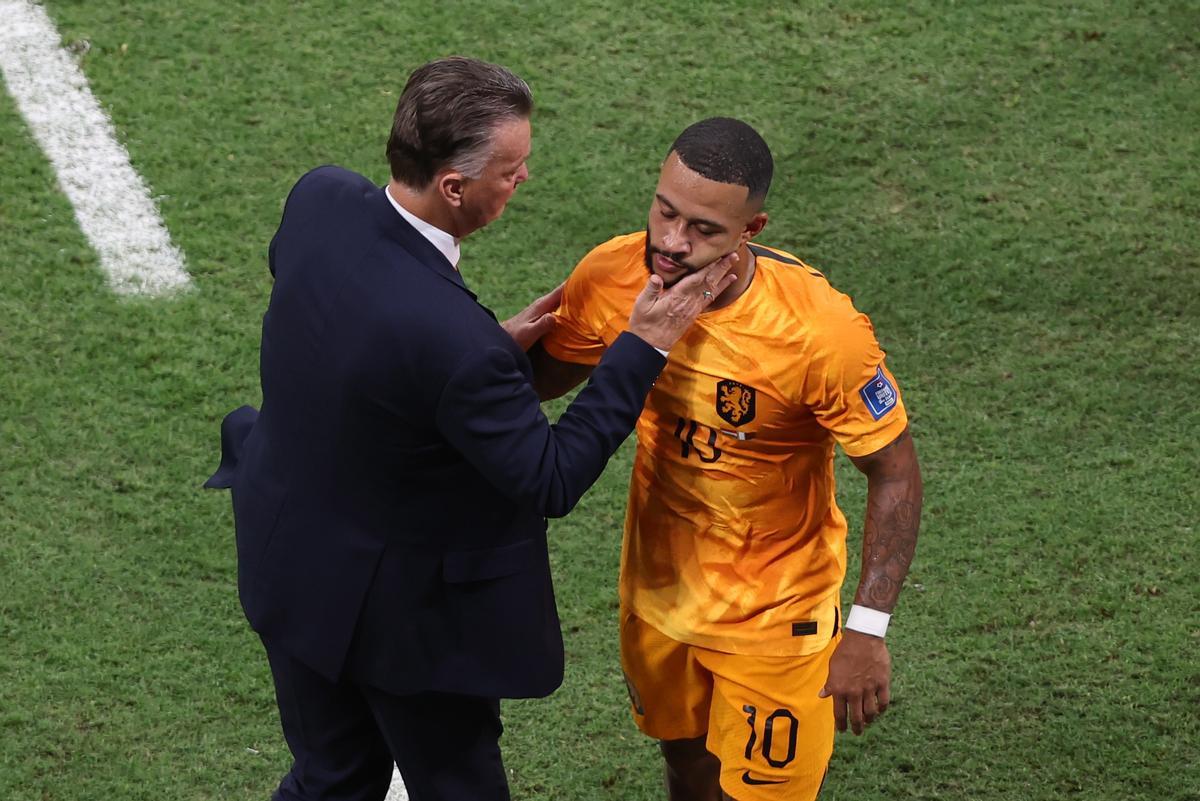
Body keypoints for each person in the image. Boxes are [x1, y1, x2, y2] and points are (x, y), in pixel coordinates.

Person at [203, 59, 737, 801]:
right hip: (405, 625)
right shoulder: (456, 344)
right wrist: (639, 347)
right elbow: (549, 476)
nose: (523, 182)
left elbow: (336, 313)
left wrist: (459, 356)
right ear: (455, 187)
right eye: (512, 171)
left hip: (289, 565)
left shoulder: (321, 199)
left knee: (332, 778)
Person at [528, 117, 924, 801]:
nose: (673, 242)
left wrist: (868, 628)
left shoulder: (818, 332)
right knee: (685, 768)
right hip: (658, 598)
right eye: (665, 210)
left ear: (752, 229)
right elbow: (533, 381)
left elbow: (895, 471)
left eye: (705, 229)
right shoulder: (614, 274)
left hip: (777, 618)